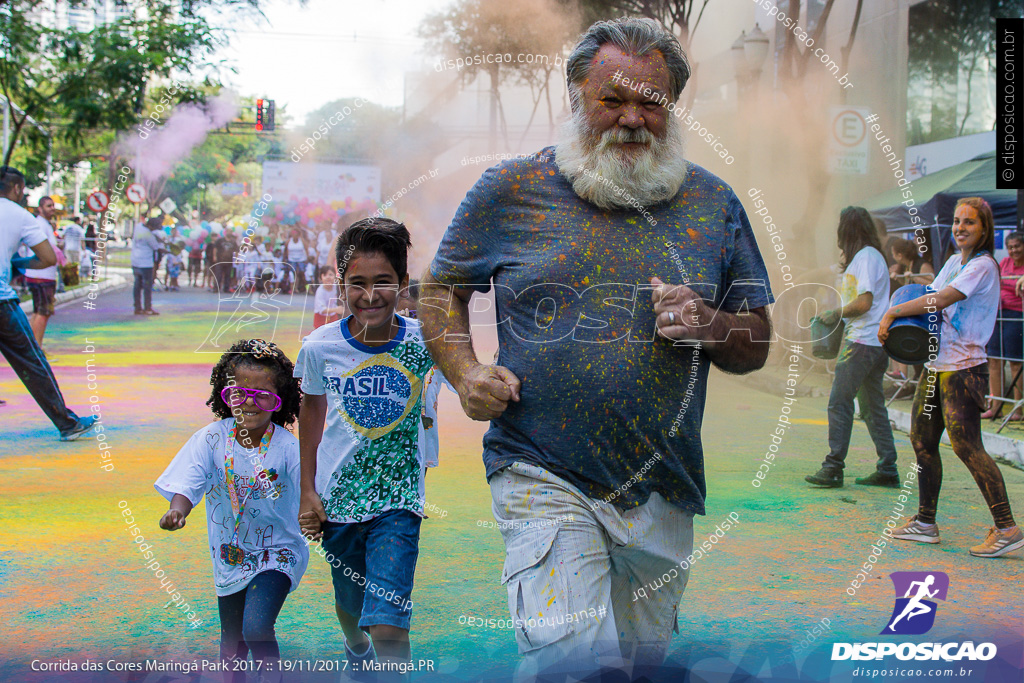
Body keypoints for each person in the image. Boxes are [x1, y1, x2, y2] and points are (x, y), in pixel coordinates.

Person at [419, 18, 772, 680]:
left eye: (651, 102)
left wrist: (709, 323)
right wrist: (465, 372)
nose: (632, 118)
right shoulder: (510, 190)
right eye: (613, 99)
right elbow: (440, 290)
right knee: (571, 662)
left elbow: (756, 341)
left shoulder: (714, 205)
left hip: (665, 484)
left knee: (639, 664)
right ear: (577, 93)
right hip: (540, 469)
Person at [295, 218, 443, 680]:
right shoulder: (319, 347)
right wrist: (307, 490)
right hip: (338, 499)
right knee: (350, 605)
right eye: (357, 283)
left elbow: (469, 383)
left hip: (399, 501)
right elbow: (311, 416)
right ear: (340, 285)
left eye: (384, 282)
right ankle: (353, 647)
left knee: (387, 622)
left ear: (402, 284)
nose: (371, 295)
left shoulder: (425, 344)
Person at [155, 339, 308, 681]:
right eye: (239, 394)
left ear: (279, 401)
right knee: (231, 642)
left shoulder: (287, 448)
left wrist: (318, 516)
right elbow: (188, 481)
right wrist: (178, 510)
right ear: (225, 395)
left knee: (256, 628)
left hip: (277, 552)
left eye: (263, 396)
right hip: (229, 555)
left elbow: (313, 493)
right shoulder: (210, 439)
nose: (249, 404)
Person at [880, 197, 1024, 558]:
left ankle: (1007, 528)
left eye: (969, 223)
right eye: (957, 221)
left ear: (984, 229)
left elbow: (941, 299)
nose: (960, 228)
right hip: (936, 364)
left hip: (964, 369)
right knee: (922, 440)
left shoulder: (983, 266)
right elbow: (929, 291)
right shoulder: (953, 261)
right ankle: (925, 523)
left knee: (966, 445)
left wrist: (892, 312)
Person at [805, 207, 900, 488]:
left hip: (861, 342)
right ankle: (888, 467)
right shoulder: (866, 257)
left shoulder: (867, 258)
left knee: (839, 402)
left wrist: (836, 313)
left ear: (846, 230)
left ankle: (833, 467)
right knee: (872, 408)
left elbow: (865, 302)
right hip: (872, 343)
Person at [0, 166, 97, 439]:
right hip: (1, 303)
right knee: (32, 362)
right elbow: (48, 258)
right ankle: (67, 423)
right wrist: (16, 265)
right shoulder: (21, 215)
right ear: (18, 189)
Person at [981, 231, 1024, 420]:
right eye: (1011, 247)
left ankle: (1017, 408)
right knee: (994, 360)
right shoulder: (1004, 263)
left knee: (1015, 363)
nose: (1014, 250)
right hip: (998, 314)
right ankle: (995, 406)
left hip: (1017, 314)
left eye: (1017, 246)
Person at [23, 196, 64, 345]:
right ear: (40, 209)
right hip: (41, 276)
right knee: (43, 312)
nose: (52, 208)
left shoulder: (45, 225)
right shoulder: (40, 224)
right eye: (48, 206)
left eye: (53, 205)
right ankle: (37, 348)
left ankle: (34, 346)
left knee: (38, 312)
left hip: (42, 275)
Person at [131, 216, 163, 315]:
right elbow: (156, 247)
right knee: (147, 286)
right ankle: (148, 308)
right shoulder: (148, 235)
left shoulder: (138, 227)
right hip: (146, 263)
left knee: (137, 285)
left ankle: (137, 307)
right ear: (151, 226)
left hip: (135, 261)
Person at [311, 265, 342, 330]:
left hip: (333, 316)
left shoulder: (336, 287)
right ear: (321, 278)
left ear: (335, 277)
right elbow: (322, 310)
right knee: (320, 336)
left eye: (330, 275)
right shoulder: (320, 291)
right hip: (321, 317)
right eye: (325, 275)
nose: (328, 277)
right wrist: (336, 309)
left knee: (334, 334)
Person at [285, 228, 309, 293]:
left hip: (301, 259)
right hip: (292, 259)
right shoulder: (289, 241)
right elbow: (286, 250)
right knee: (293, 273)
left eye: (296, 234)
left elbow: (306, 249)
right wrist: (285, 258)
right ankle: (294, 288)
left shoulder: (302, 241)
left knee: (302, 273)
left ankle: (306, 287)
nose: (295, 236)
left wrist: (307, 258)